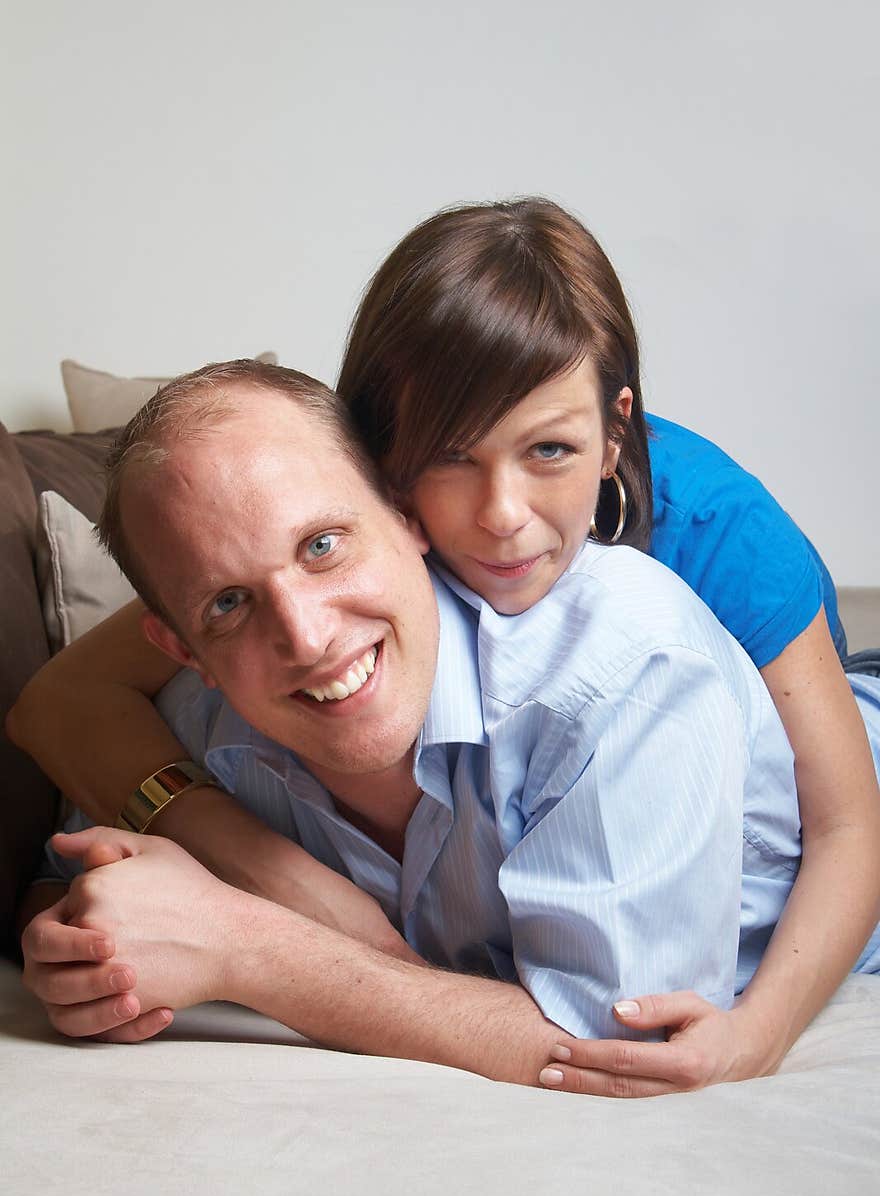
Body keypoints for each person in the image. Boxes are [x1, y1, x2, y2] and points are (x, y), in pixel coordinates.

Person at [10, 197, 880, 1092]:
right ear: (398, 478)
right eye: (452, 459)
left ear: (614, 432)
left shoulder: (669, 595)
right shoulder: (255, 621)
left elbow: (848, 827)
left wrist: (762, 1033)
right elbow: (71, 736)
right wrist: (82, 943)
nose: (501, 520)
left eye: (322, 544)